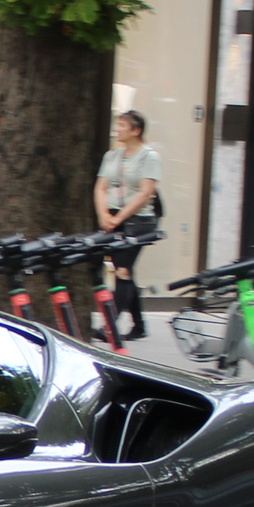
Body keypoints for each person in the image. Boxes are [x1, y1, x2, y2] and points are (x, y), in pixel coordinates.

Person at [93, 109, 163, 341]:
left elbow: (145, 194)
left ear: (136, 130)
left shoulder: (149, 157)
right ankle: (140, 326)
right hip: (112, 220)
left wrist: (118, 218)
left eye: (123, 125)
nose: (118, 129)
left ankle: (109, 326)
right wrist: (104, 215)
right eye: (118, 124)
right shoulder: (112, 156)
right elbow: (100, 187)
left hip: (138, 222)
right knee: (125, 272)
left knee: (122, 270)